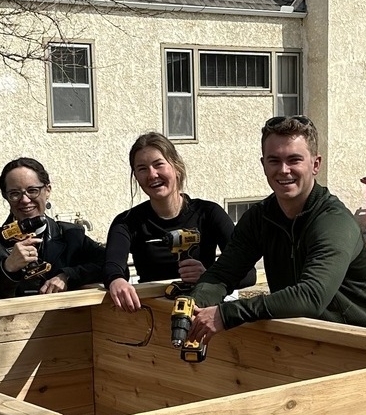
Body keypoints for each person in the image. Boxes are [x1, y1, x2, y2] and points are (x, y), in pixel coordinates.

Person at [187, 115, 366, 339]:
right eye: (274, 160)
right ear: (263, 164)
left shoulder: (334, 222)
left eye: (294, 160)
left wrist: (227, 314)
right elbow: (221, 275)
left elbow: (310, 296)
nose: (284, 170)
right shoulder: (260, 218)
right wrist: (192, 304)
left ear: (315, 165)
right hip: (307, 341)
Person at [103, 131, 255, 310]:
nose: (152, 174)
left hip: (202, 314)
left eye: (158, 164)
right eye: (142, 168)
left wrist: (210, 276)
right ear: (135, 176)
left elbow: (249, 274)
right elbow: (111, 266)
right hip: (154, 315)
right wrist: (116, 280)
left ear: (176, 167)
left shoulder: (209, 213)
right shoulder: (127, 223)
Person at [0, 157, 104, 300]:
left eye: (32, 190)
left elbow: (114, 267)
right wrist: (8, 268)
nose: (25, 200)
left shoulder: (71, 235)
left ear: (47, 190)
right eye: (15, 194)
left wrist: (68, 275)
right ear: (6, 197)